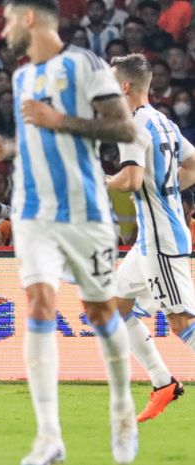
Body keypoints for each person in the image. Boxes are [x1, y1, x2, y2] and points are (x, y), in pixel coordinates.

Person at [0, 1, 138, 463]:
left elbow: (124, 130)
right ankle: (49, 438)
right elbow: (35, 141)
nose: (2, 29)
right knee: (39, 301)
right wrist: (3, 149)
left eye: (8, 19)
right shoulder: (21, 77)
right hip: (32, 212)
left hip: (85, 211)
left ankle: (123, 407)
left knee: (100, 310)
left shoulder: (84, 62)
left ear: (30, 18)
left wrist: (59, 120)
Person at [108, 53, 195, 423]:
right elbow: (192, 165)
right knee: (114, 305)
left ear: (125, 87)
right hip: (153, 238)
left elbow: (129, 179)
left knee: (181, 320)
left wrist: (97, 183)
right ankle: (163, 383)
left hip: (162, 239)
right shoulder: (164, 122)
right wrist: (163, 188)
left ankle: (163, 382)